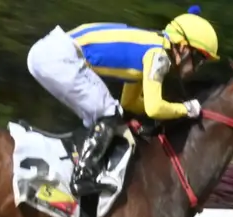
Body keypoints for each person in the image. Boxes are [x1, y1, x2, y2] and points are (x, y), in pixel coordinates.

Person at [26, 5, 220, 197]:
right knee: (108, 112)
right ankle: (82, 177)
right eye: (199, 58)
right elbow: (154, 108)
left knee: (108, 113)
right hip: (60, 57)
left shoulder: (150, 46)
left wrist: (168, 110)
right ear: (183, 47)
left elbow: (129, 103)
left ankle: (75, 163)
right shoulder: (159, 55)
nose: (198, 66)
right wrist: (186, 109)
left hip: (48, 53)